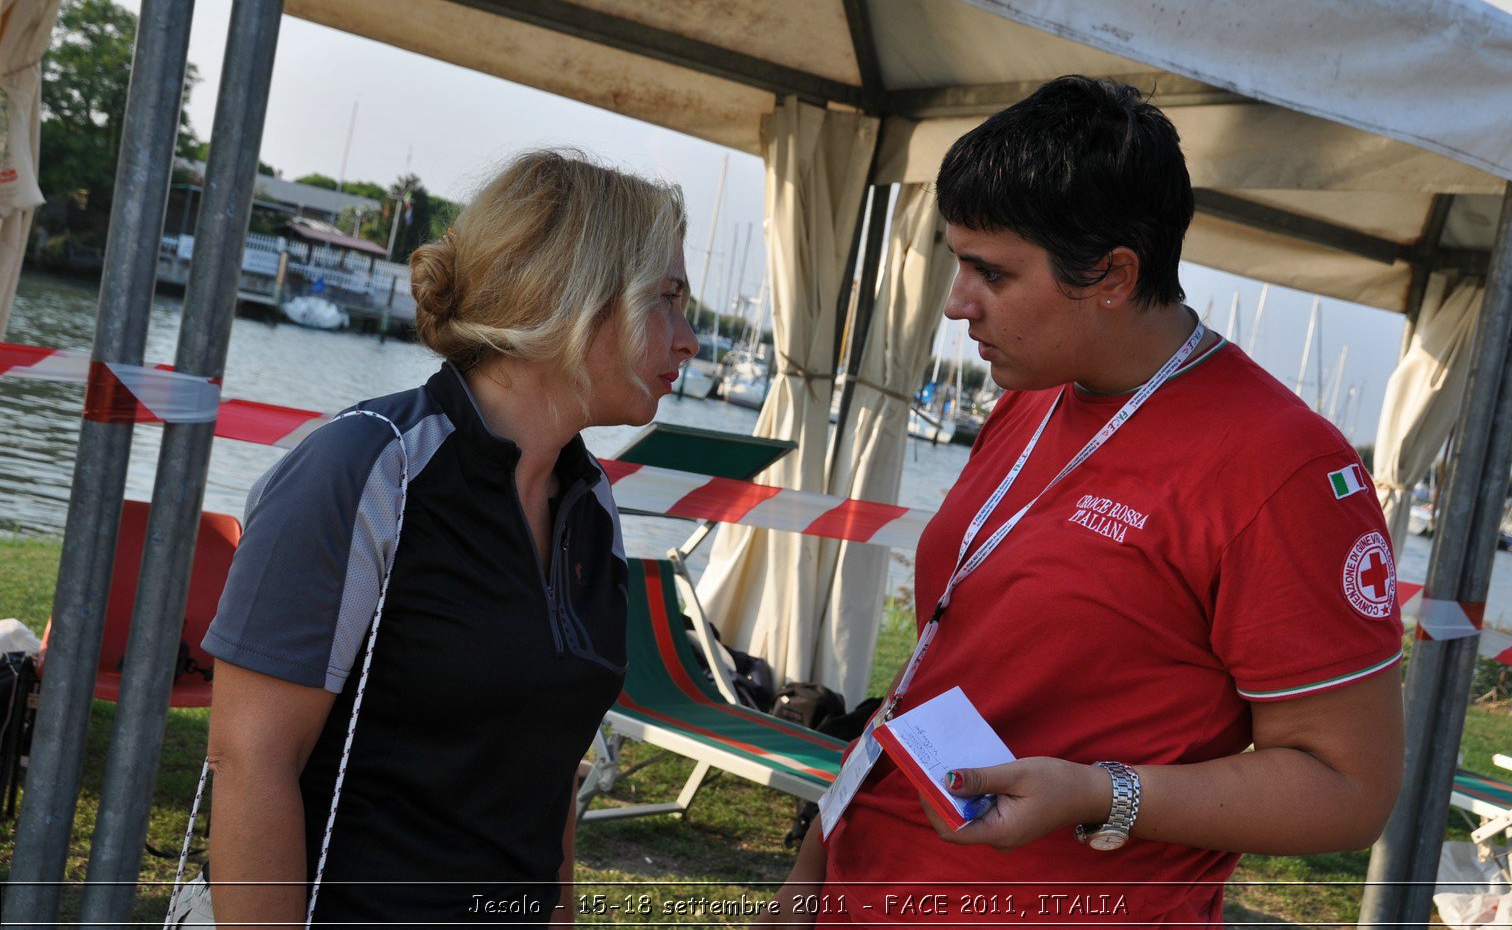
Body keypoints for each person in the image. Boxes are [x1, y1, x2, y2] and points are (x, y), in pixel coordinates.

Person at [763, 77, 1404, 926]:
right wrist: (811, 870)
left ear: (1111, 275)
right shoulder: (1031, 395)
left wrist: (1098, 793)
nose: (958, 303)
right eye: (957, 261)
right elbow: (936, 671)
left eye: (991, 271)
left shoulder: (1281, 466)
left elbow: (1349, 787)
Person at [202, 149, 698, 926]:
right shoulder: (369, 468)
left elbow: (548, 777)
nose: (689, 337)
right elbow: (247, 761)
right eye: (667, 298)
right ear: (571, 295)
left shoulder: (590, 504)